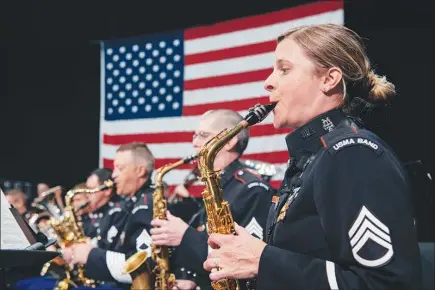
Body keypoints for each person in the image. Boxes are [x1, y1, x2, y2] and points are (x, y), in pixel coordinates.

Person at [202, 24, 421, 290]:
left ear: (329, 79)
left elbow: (387, 284)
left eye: (284, 69)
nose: (268, 82)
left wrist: (263, 261)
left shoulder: (352, 154)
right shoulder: (314, 158)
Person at [151, 109, 275, 289]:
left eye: (202, 135)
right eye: (194, 135)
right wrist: (191, 280)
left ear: (229, 141)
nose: (194, 143)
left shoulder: (252, 189)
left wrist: (184, 236)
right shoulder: (217, 185)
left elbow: (246, 263)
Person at [68, 142, 155, 288]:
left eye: (120, 168)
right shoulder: (134, 203)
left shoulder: (146, 205)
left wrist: (90, 255)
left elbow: (143, 266)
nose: (113, 175)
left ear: (140, 171)